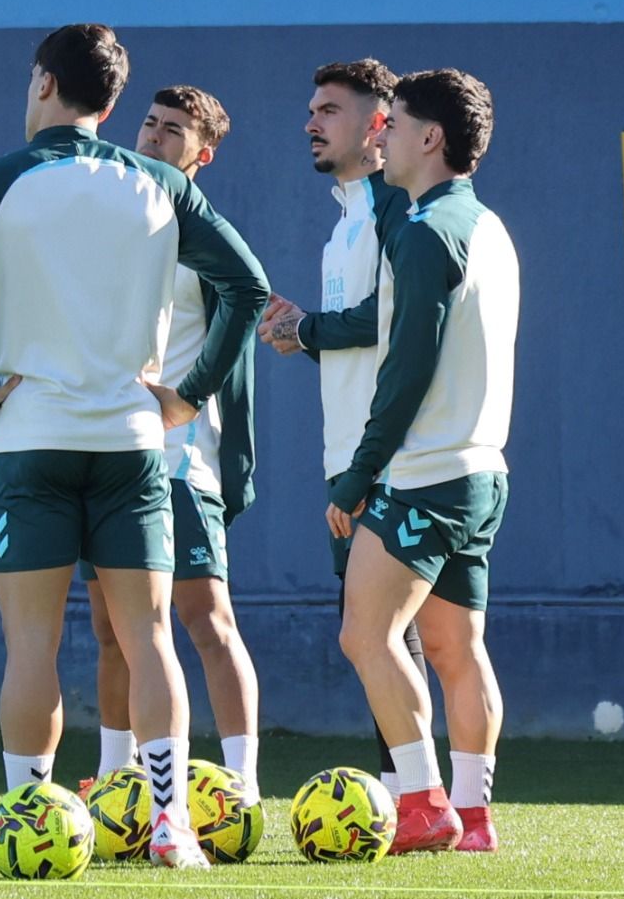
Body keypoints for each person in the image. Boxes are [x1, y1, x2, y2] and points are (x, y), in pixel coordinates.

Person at [0, 25, 268, 870]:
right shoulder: (159, 183)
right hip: (134, 444)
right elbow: (247, 286)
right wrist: (188, 392)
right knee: (149, 637)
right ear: (109, 104)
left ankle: (19, 825)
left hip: (30, 440)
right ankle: (172, 826)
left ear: (42, 83)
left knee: (31, 645)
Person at [321, 68, 519, 854]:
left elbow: (406, 370)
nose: (382, 134)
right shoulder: (491, 227)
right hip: (483, 471)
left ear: (430, 137)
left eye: (393, 122)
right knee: (454, 649)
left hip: (428, 472)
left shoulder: (423, 231)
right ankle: (472, 818)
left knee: (365, 635)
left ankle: (421, 800)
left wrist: (359, 473)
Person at [80, 86, 261, 805]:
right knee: (109, 628)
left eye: (173, 130)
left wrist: (211, 435)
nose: (153, 138)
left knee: (205, 618)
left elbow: (238, 341)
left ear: (202, 154)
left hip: (181, 461)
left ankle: (242, 783)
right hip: (105, 451)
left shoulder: (206, 239)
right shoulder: (111, 225)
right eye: (149, 124)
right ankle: (119, 779)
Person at [258, 59, 425, 800]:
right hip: (350, 456)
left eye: (329, 109)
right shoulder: (347, 217)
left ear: (377, 124)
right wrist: (304, 331)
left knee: (391, 633)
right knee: (382, 633)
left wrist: (310, 327)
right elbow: (359, 330)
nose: (311, 122)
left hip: (391, 458)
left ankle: (426, 796)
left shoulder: (394, 206)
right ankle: (412, 793)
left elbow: (396, 319)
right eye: (312, 108)